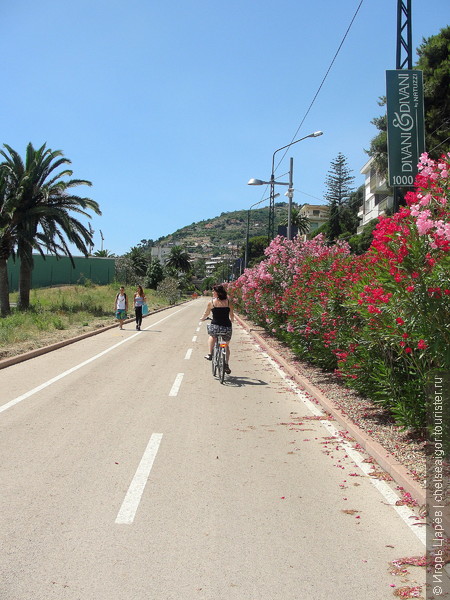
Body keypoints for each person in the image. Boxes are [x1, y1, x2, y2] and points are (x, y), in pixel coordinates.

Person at [200, 284, 234, 374]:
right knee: (226, 346)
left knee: (212, 337)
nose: (212, 292)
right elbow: (232, 315)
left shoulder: (211, 302)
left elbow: (206, 313)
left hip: (215, 327)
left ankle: (210, 354)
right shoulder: (228, 302)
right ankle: (226, 364)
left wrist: (202, 318)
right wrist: (232, 320)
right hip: (227, 327)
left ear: (217, 293)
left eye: (213, 291)